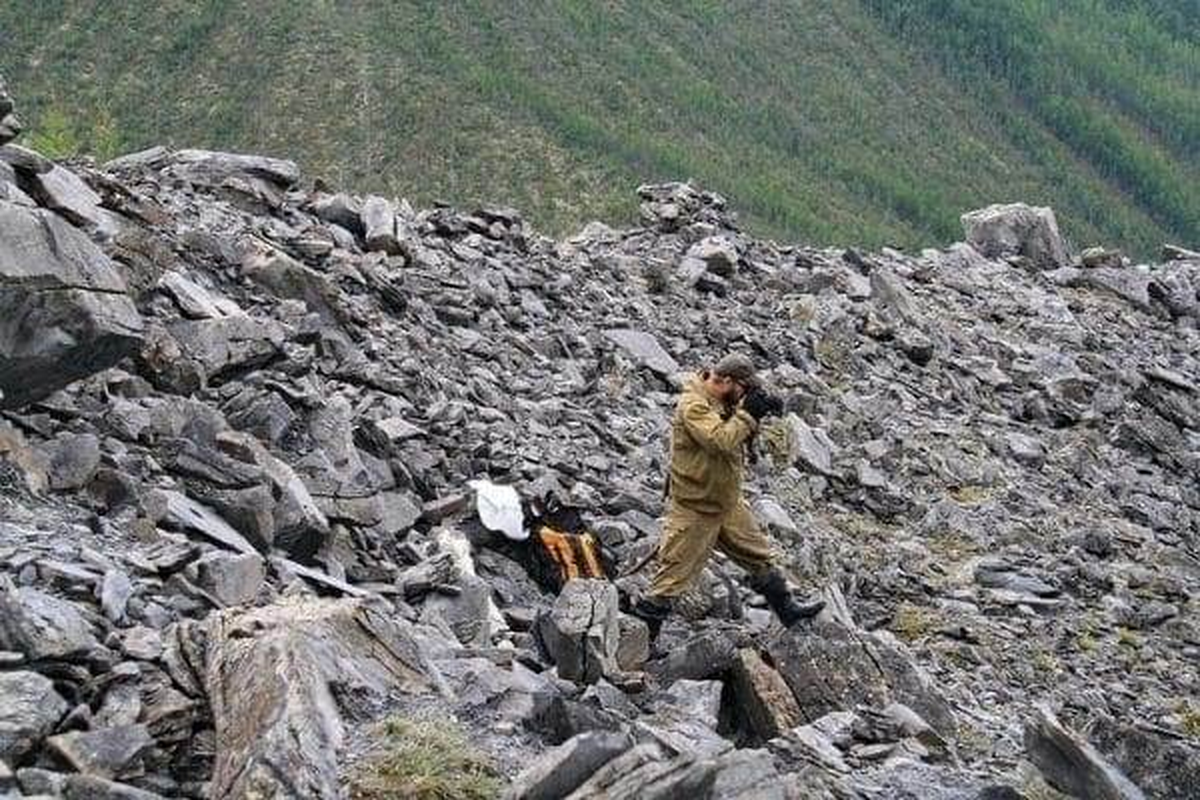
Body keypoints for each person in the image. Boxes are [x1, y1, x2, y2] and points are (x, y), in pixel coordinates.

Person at [631, 354, 824, 640]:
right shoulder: (693, 405)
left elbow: (738, 432)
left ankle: (788, 611)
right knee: (671, 579)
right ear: (727, 382)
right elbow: (719, 440)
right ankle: (640, 645)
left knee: (758, 557)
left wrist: (762, 409)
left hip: (725, 503)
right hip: (695, 506)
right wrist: (748, 415)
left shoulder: (723, 398)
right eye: (742, 390)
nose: (743, 397)